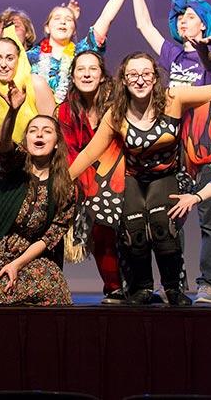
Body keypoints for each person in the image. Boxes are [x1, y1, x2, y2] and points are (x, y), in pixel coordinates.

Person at [69, 53, 211, 305]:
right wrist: (61, 181)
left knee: (162, 226)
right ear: (124, 80)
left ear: (154, 77)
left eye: (145, 74)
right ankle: (141, 287)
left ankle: (173, 288)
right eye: (133, 75)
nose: (139, 80)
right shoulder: (116, 114)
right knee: (134, 230)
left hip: (167, 175)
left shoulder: (174, 98)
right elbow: (88, 153)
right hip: (133, 177)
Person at [128, 0, 211, 304]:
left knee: (210, 220)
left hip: (207, 145)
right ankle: (175, 283)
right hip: (175, 145)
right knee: (174, 216)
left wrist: (204, 53)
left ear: (205, 25)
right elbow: (144, 26)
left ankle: (208, 283)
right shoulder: (172, 54)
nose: (184, 21)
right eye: (180, 17)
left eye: (191, 16)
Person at [0, 84, 76, 306]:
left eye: (47, 131)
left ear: (57, 143)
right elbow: (4, 145)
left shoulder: (65, 188)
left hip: (31, 259)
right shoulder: (14, 167)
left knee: (56, 292)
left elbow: (49, 238)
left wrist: (17, 264)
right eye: (33, 130)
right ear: (26, 139)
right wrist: (13, 111)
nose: (39, 134)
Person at [26, 0, 151, 102]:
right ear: (47, 27)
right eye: (57, 18)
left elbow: (106, 17)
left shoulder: (83, 51)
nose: (63, 22)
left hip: (77, 113)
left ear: (74, 30)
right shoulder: (30, 56)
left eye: (69, 19)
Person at [56, 51, 125, 304]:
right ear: (73, 76)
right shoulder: (65, 110)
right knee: (100, 226)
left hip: (120, 172)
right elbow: (71, 153)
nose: (86, 74)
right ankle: (114, 286)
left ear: (103, 75)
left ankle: (140, 285)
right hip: (85, 178)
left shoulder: (117, 104)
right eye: (81, 70)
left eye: (93, 69)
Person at [0, 27, 55, 142]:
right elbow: (2, 136)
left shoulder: (36, 83)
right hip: (10, 150)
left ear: (19, 60)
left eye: (10, 58)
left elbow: (53, 129)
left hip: (42, 149)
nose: (3, 64)